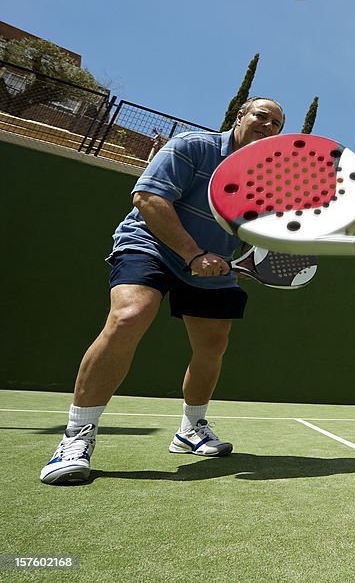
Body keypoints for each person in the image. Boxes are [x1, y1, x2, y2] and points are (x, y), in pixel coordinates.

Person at [40, 97, 286, 485]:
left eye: (276, 124)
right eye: (261, 116)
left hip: (211, 261)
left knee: (213, 345)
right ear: (239, 117)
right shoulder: (192, 146)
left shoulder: (265, 185)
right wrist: (192, 253)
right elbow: (148, 198)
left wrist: (245, 258)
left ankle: (191, 429)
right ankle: (76, 437)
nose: (268, 126)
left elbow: (248, 234)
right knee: (130, 315)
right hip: (152, 244)